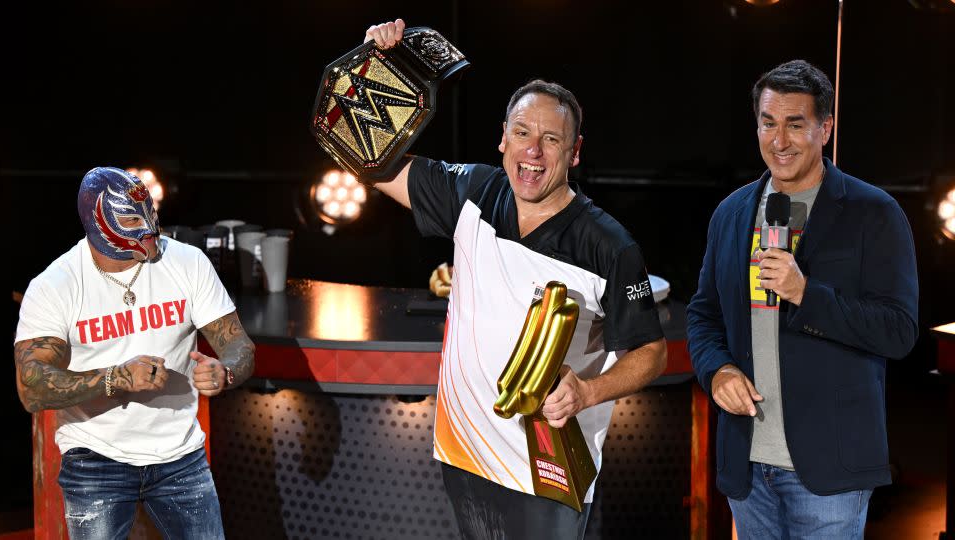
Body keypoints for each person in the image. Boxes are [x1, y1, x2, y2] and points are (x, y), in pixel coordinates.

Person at [361, 19, 667, 540]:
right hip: (465, 452)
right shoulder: (473, 193)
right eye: (523, 133)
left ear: (574, 153)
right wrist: (378, 73)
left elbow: (651, 353)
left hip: (548, 473)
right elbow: (370, 162)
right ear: (502, 139)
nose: (534, 151)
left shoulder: (610, 246)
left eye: (552, 140)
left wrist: (588, 393)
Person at [687, 59, 918, 539]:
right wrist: (718, 371)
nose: (779, 140)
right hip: (748, 469)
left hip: (829, 473)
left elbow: (898, 331)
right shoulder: (731, 214)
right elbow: (704, 316)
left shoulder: (874, 213)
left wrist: (805, 294)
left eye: (796, 125)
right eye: (768, 124)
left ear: (825, 128)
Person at [14, 167, 256, 539]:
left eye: (151, 214)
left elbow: (239, 345)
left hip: (180, 456)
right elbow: (31, 388)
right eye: (130, 218)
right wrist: (116, 378)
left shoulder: (186, 262)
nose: (147, 227)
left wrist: (225, 370)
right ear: (98, 220)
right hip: (95, 457)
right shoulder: (56, 285)